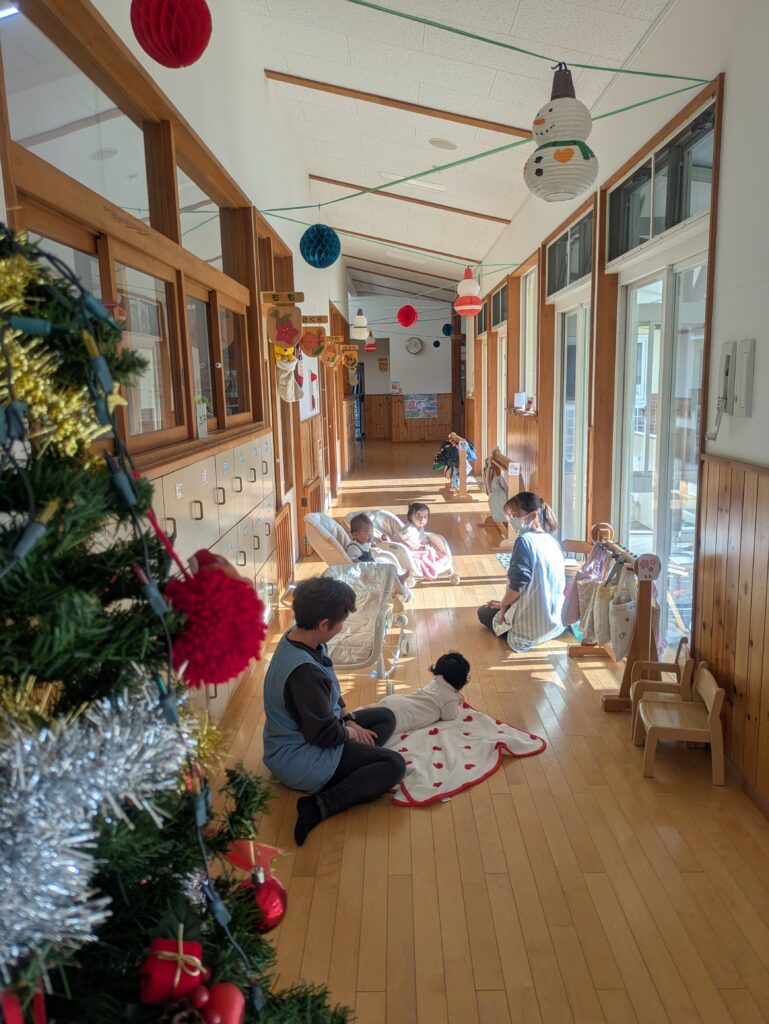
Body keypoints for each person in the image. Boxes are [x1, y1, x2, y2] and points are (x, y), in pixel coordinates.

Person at [262, 576, 406, 846]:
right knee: (394, 765)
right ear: (323, 624)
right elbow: (325, 735)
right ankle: (320, 805)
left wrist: (350, 720)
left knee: (385, 717)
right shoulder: (303, 674)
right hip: (299, 757)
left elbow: (330, 691)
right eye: (340, 622)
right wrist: (350, 734)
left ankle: (355, 765)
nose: (342, 627)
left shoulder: (302, 637)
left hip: (316, 732)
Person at [477, 492, 566, 652]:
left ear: (533, 515)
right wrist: (505, 602)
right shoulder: (552, 541)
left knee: (483, 611)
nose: (511, 521)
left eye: (515, 515)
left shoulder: (524, 541)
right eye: (509, 516)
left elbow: (518, 585)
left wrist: (504, 605)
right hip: (556, 623)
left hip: (531, 629)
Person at [376, 651, 470, 732]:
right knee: (379, 731)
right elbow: (449, 717)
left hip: (393, 700)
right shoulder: (451, 698)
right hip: (403, 715)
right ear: (462, 681)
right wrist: (457, 699)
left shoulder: (435, 682)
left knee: (375, 716)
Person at [396, 502, 452, 580]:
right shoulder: (409, 529)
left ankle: (438, 561)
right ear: (410, 516)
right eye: (418, 516)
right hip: (409, 546)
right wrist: (419, 546)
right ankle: (432, 565)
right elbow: (405, 536)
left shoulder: (419, 526)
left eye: (425, 517)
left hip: (417, 544)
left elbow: (421, 535)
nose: (422, 519)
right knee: (425, 554)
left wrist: (424, 540)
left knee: (431, 547)